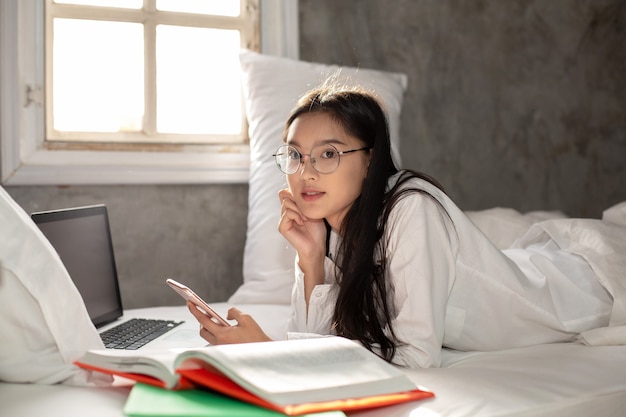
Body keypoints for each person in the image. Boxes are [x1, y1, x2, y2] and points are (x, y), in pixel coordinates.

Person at [189, 82, 625, 368]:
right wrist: (311, 259)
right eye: (295, 154)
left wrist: (268, 352)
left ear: (371, 159)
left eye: (328, 153)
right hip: (527, 264)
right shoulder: (335, 226)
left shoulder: (410, 208)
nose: (306, 172)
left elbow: (417, 355)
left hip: (580, 287)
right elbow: (320, 338)